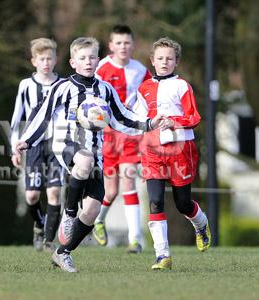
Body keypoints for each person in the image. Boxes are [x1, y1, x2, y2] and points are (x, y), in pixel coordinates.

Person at [15, 37, 164, 272]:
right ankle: (69, 213)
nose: (88, 61)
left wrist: (148, 124)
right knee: (83, 160)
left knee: (94, 210)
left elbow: (122, 117)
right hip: (66, 145)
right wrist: (26, 140)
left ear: (98, 59)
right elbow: (42, 115)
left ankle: (62, 253)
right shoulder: (63, 87)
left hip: (96, 152)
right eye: (82, 58)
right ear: (73, 62)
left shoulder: (105, 89)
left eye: (92, 57)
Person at [133, 37, 211, 270]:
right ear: (152, 61)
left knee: (183, 204)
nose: (164, 62)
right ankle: (162, 256)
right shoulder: (143, 88)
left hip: (180, 151)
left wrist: (173, 122)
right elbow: (137, 120)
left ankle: (201, 225)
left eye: (169, 58)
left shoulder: (182, 86)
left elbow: (194, 117)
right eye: (160, 58)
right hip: (152, 151)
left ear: (176, 62)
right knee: (155, 201)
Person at [92, 24, 152, 253]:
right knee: (110, 191)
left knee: (128, 181)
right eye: (118, 43)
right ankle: (98, 220)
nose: (123, 47)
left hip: (129, 136)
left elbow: (148, 98)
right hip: (106, 137)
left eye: (127, 43)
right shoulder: (101, 68)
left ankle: (135, 240)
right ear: (111, 46)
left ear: (133, 45)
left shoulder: (140, 70)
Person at [10, 38, 63, 252]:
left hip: (57, 144)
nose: (46, 63)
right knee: (32, 195)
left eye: (50, 58)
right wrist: (14, 147)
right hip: (32, 144)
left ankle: (49, 241)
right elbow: (16, 118)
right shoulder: (26, 85)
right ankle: (39, 225)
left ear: (56, 59)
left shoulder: (63, 84)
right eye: (42, 59)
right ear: (34, 61)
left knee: (54, 192)